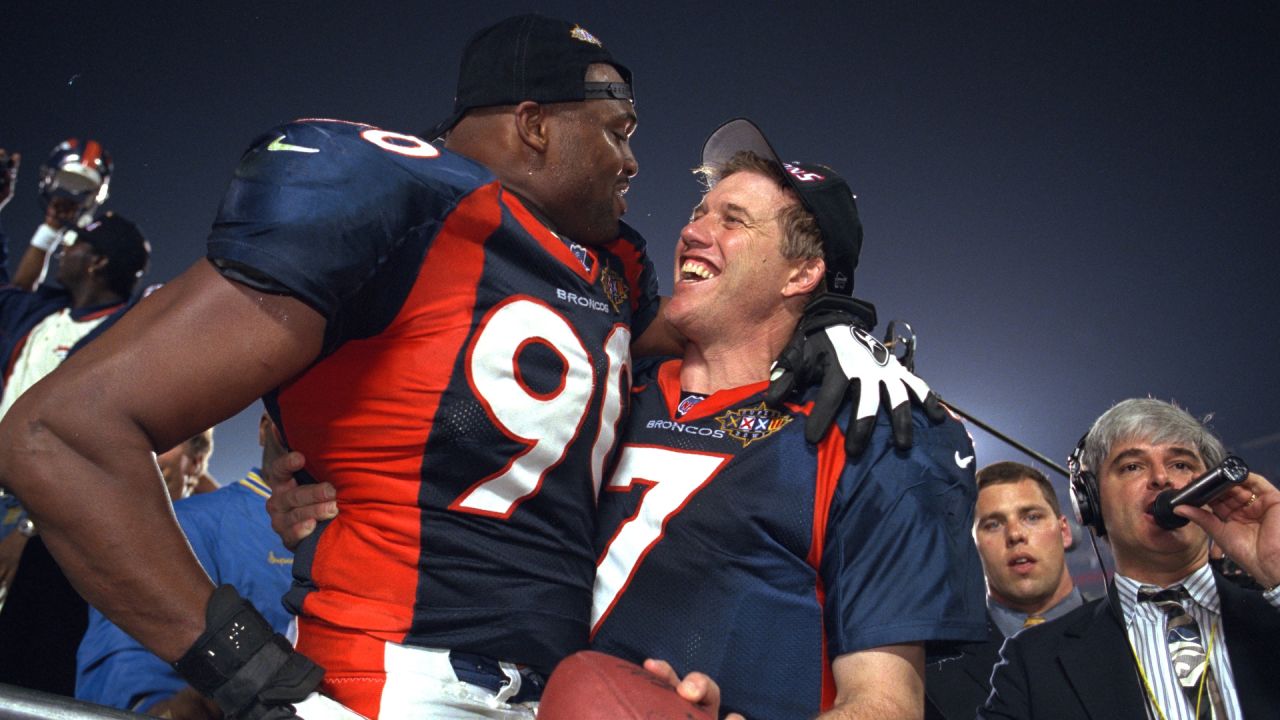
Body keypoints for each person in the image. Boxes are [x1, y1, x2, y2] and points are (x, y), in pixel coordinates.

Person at [0, 14, 930, 719]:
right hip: (388, 680)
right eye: (617, 130)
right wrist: (243, 667)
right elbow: (59, 434)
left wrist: (836, 324)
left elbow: (714, 333)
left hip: (551, 691)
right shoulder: (386, 189)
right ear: (533, 125)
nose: (633, 161)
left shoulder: (614, 268)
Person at [272, 118, 986, 719]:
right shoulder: (610, 384)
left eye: (733, 221)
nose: (694, 231)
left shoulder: (878, 430)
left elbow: (886, 703)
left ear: (802, 275)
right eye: (701, 211)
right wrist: (323, 484)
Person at [981, 398, 1280, 719]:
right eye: (1132, 466)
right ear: (1090, 504)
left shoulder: (1271, 613)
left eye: (1181, 464)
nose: (1162, 478)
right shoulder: (1030, 661)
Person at [0, 210, 150, 695]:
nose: (62, 251)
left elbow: (94, 453)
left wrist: (29, 526)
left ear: (97, 262)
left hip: (42, 519)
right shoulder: (40, 314)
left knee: (22, 667)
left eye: (72, 244)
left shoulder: (130, 339)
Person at [76, 414, 293, 719]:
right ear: (264, 428)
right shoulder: (183, 525)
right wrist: (161, 707)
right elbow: (128, 663)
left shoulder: (363, 534)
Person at [925, 461, 1082, 719]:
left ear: (1064, 531)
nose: (1015, 534)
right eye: (993, 524)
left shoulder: (1130, 635)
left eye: (1032, 517)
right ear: (970, 547)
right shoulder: (932, 669)